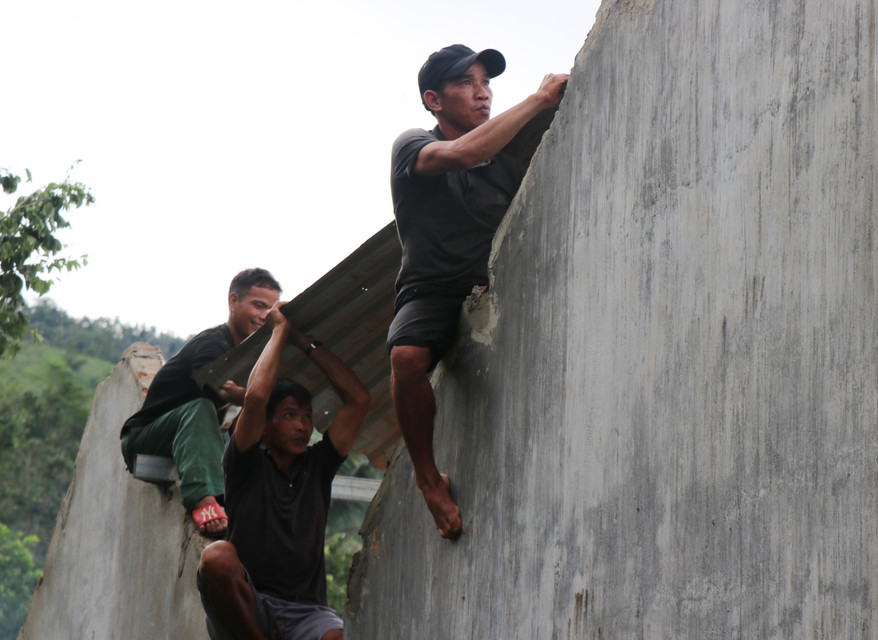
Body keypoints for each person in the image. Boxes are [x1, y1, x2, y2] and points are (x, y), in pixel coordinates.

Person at [388, 44, 569, 538]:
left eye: (486, 82)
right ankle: (428, 479)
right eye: (467, 82)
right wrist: (538, 99)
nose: (482, 92)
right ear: (434, 99)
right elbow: (464, 152)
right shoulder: (412, 145)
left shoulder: (506, 164)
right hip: (430, 289)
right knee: (406, 356)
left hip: (490, 285)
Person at [196, 301, 370, 640]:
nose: (303, 425)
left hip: (307, 611)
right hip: (251, 605)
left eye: (307, 416)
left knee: (334, 637)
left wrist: (305, 342)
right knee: (217, 557)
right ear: (265, 427)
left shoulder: (318, 466)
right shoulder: (245, 461)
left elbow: (359, 400)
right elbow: (258, 397)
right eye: (290, 415)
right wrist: (279, 331)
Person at [120, 268, 282, 537]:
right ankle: (203, 499)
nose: (264, 315)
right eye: (258, 305)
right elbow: (223, 389)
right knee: (202, 407)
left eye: (271, 309)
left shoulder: (253, 357)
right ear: (233, 302)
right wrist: (264, 397)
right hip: (145, 439)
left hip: (192, 444)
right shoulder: (213, 344)